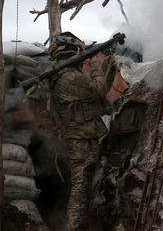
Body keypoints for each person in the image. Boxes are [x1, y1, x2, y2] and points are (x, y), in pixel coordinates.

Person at [48, 31, 115, 231]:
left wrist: (106, 68)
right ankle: (73, 227)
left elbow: (97, 98)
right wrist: (94, 64)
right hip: (79, 141)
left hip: (82, 139)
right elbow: (98, 90)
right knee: (80, 189)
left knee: (84, 188)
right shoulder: (68, 77)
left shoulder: (66, 76)